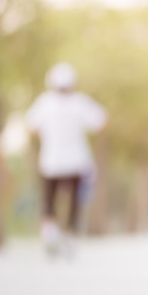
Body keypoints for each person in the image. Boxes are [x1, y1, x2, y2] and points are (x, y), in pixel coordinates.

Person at [25, 62, 107, 255]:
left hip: (51, 160)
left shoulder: (45, 103)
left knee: (49, 199)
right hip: (76, 160)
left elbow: (30, 127)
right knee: (74, 202)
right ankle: (70, 236)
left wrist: (45, 134)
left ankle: (49, 232)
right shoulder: (79, 102)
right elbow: (102, 121)